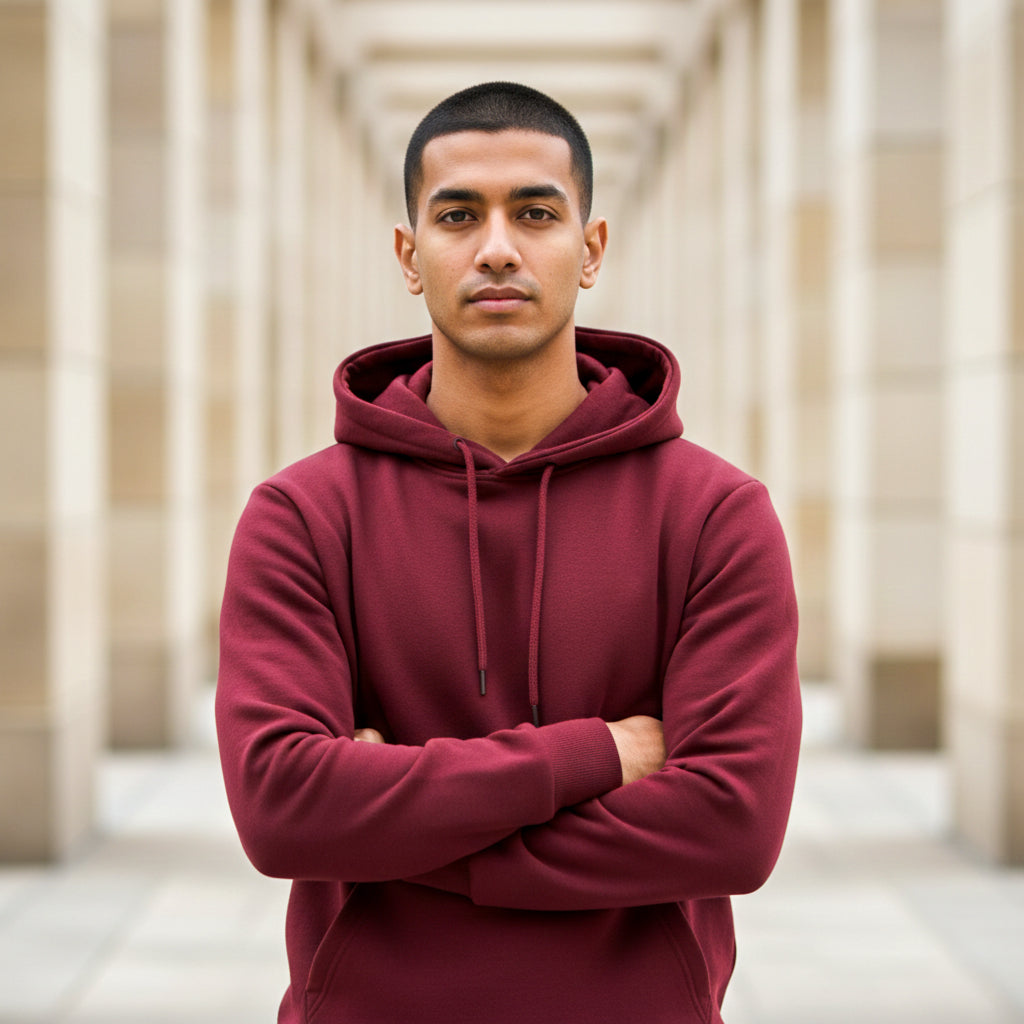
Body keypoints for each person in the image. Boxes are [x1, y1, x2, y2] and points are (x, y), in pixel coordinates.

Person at [216, 81, 801, 1024]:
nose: (497, 247)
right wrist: (596, 755)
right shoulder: (303, 514)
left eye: (535, 212)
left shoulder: (713, 513)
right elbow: (284, 807)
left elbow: (733, 827)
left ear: (591, 248)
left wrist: (392, 823)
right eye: (458, 215)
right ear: (410, 257)